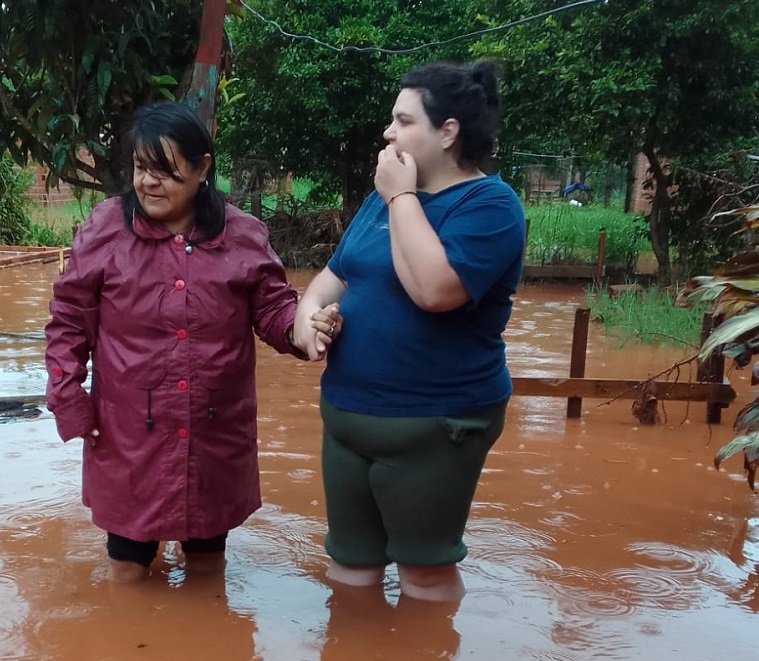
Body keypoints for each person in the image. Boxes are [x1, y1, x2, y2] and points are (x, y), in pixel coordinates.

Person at [44, 102, 342, 583]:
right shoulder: (105, 229)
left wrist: (302, 329)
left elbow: (272, 309)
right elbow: (69, 321)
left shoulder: (242, 235)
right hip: (127, 436)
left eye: (164, 171)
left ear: (203, 167)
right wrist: (67, 397)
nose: (148, 183)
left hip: (213, 432)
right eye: (142, 169)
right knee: (126, 570)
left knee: (207, 569)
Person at [294, 61, 526, 601]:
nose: (388, 133)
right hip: (348, 419)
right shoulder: (380, 201)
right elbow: (332, 277)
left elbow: (435, 290)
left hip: (436, 426)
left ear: (447, 132)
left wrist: (402, 196)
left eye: (402, 121)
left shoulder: (490, 205)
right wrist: (308, 320)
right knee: (350, 566)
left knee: (424, 572)